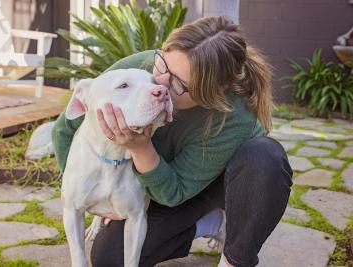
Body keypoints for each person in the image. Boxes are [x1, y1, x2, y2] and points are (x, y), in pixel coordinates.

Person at [52, 16, 293, 267]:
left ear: (218, 88)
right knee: (110, 259)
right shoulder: (141, 69)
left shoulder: (235, 118)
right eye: (162, 66)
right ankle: (207, 224)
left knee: (265, 156)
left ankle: (235, 256)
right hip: (161, 185)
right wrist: (78, 188)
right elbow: (63, 130)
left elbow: (175, 192)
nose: (161, 85)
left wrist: (140, 147)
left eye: (178, 83)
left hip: (213, 186)